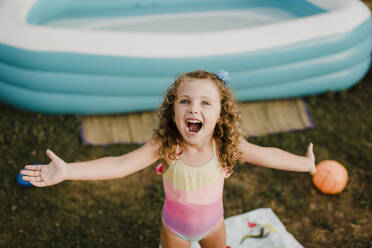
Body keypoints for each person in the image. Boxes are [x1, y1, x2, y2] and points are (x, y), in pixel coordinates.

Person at [20, 70, 316, 248]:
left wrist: (304, 163)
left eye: (205, 102)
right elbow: (120, 164)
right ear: (172, 111)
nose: (193, 108)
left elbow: (267, 155)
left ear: (220, 114)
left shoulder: (226, 145)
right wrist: (69, 170)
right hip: (174, 230)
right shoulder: (166, 146)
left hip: (214, 226)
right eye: (185, 101)